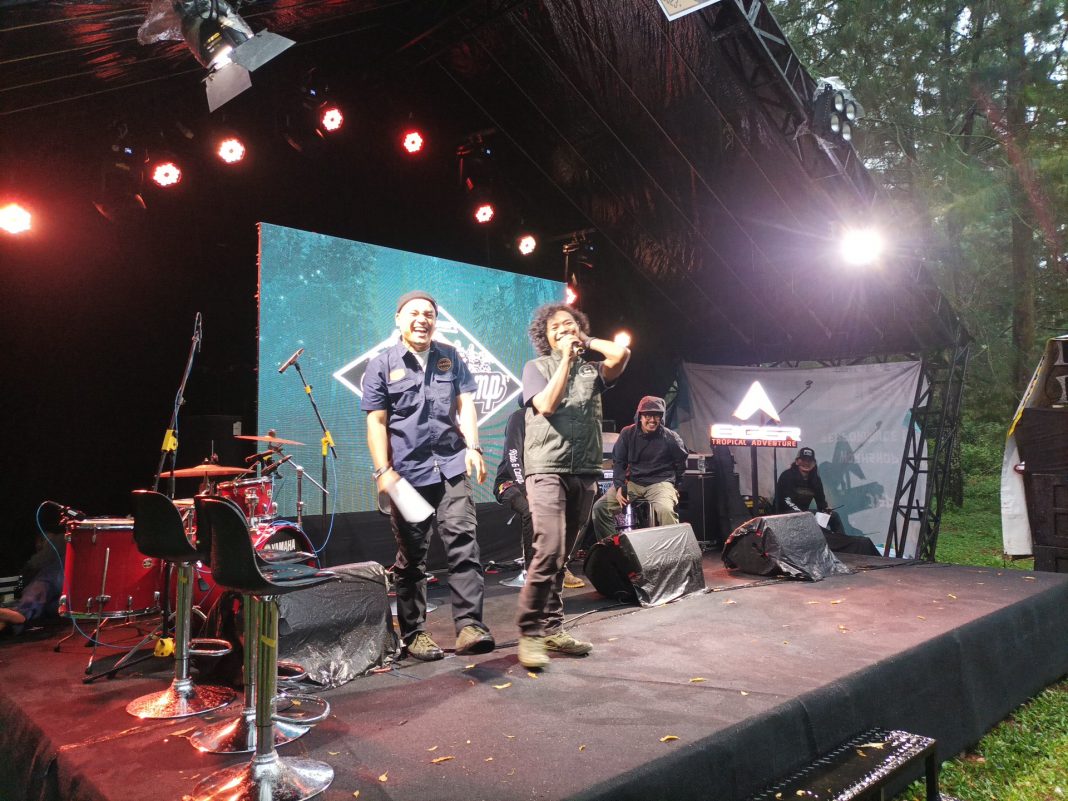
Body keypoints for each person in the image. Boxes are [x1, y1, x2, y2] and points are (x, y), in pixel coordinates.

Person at [363, 290, 495, 661]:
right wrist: (383, 470)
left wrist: (474, 447)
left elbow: (466, 403)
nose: (422, 319)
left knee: (464, 544)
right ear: (398, 319)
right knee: (412, 557)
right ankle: (414, 634)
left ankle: (470, 626)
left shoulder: (450, 356)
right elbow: (376, 422)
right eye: (414, 313)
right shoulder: (381, 364)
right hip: (406, 475)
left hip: (451, 466)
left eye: (429, 314)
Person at [516, 303, 630, 669]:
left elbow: (621, 354)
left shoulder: (592, 371)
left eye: (569, 325)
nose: (563, 330)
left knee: (562, 556)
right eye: (555, 328)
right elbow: (547, 405)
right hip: (546, 469)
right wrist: (565, 358)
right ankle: (531, 633)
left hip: (584, 470)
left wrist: (586, 340)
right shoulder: (536, 368)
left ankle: (552, 628)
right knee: (548, 549)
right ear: (545, 337)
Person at [493, 402, 585, 589]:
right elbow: (513, 455)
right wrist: (525, 489)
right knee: (531, 510)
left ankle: (560, 566)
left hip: (542, 483)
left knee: (576, 508)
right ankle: (532, 573)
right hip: (511, 482)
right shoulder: (520, 416)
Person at [591, 395, 688, 541]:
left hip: (661, 483)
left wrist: (675, 485)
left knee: (666, 510)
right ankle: (614, 548)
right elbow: (619, 461)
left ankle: (672, 551)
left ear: (661, 417)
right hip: (634, 482)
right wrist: (619, 486)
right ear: (640, 416)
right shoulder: (627, 433)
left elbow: (681, 462)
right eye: (648, 415)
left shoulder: (670, 437)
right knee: (600, 509)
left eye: (656, 415)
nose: (652, 420)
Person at [773, 446, 879, 556]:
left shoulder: (815, 479)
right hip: (786, 515)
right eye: (803, 460)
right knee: (807, 517)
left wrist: (825, 510)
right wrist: (802, 514)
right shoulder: (787, 476)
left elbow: (821, 502)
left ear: (814, 463)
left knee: (834, 516)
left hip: (805, 515)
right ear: (797, 461)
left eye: (809, 461)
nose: (806, 463)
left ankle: (842, 545)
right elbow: (786, 500)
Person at [0, 527, 65, 635]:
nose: (38, 548)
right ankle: (9, 622)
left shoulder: (56, 540)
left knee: (42, 584)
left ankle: (20, 613)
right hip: (67, 602)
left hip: (65, 580)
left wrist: (23, 576)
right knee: (46, 606)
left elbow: (35, 564)